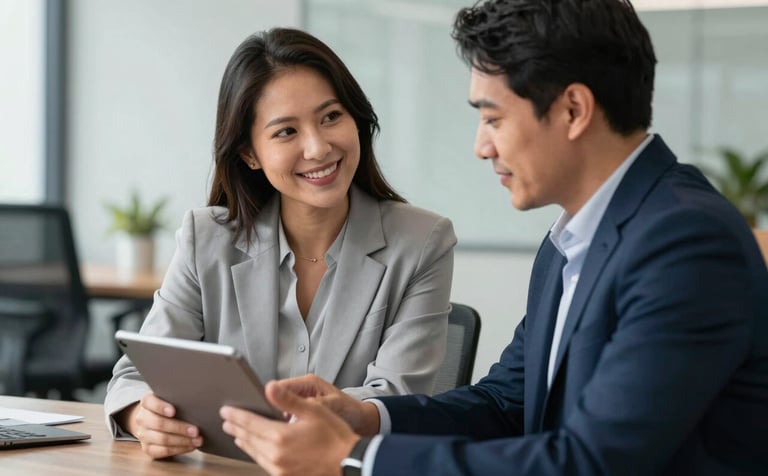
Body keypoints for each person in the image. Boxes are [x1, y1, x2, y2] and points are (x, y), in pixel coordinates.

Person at [217, 1, 768, 475]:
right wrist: (365, 416)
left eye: (493, 118)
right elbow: (507, 404)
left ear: (573, 110)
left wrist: (354, 458)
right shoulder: (570, 242)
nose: (482, 146)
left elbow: (592, 463)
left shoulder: (684, 242)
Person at [104, 27, 457, 460]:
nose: (318, 147)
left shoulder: (422, 242)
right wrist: (143, 416)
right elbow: (136, 374)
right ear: (250, 154)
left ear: (357, 120)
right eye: (286, 132)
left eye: (331, 117)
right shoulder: (206, 238)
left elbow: (395, 398)